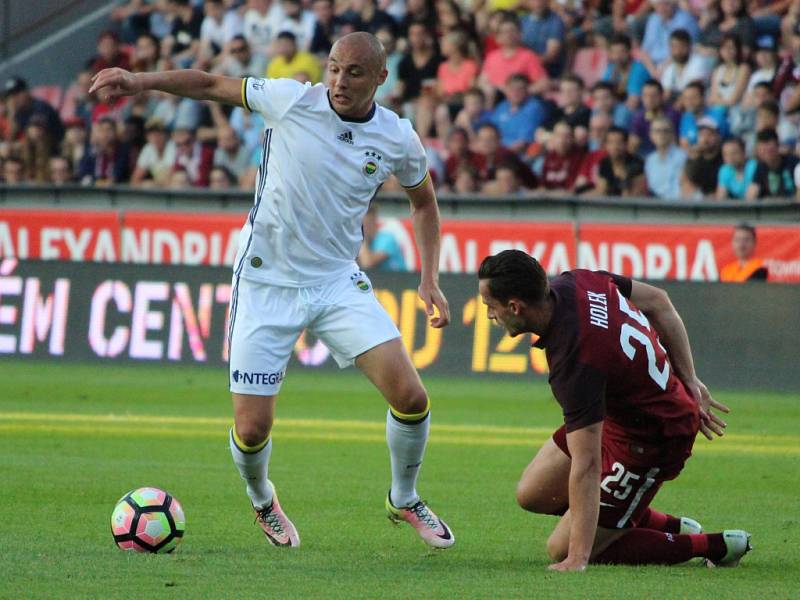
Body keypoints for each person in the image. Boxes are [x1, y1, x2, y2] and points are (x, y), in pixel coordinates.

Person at [90, 31, 454, 550]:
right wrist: (140, 81)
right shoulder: (292, 101)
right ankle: (263, 499)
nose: (339, 81)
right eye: (333, 67)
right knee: (253, 428)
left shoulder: (397, 136)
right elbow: (212, 83)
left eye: (354, 72)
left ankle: (404, 495)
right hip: (265, 281)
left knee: (412, 397)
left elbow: (424, 204)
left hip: (335, 281)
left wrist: (429, 277)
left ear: (380, 77)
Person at [476, 249, 752, 571]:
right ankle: (663, 524)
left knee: (560, 547)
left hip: (652, 437)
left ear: (514, 306)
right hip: (618, 414)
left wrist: (577, 558)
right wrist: (689, 379)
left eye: (489, 307)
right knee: (533, 493)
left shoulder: (575, 360)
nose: (489, 316)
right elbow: (659, 301)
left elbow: (588, 464)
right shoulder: (579, 281)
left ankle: (716, 545)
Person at [645, 116, 686, 199]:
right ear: (651, 135)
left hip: (675, 206)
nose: (661, 134)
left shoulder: (683, 158)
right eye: (657, 131)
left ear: (672, 135)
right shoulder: (649, 160)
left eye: (665, 131)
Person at [358, 203, 407, 271]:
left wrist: (361, 236)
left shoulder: (386, 239)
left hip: (399, 280)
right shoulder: (361, 242)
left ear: (373, 219)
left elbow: (367, 264)